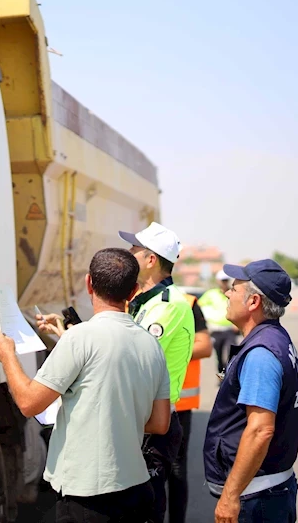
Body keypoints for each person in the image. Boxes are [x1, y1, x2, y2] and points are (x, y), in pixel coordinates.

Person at [0, 248, 171, 523]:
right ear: (133, 291)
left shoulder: (79, 338)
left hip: (87, 496)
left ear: (89, 283)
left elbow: (28, 403)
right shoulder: (151, 344)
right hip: (137, 489)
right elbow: (160, 423)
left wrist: (7, 356)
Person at [203, 259, 298, 523]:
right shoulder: (273, 338)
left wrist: (230, 496)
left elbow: (260, 430)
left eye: (234, 288)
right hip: (265, 492)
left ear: (253, 302)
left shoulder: (261, 354)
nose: (227, 293)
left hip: (256, 498)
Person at [119, 222, 195, 523]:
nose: (127, 254)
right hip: (141, 417)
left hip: (154, 422)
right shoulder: (146, 301)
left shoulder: (170, 305)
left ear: (151, 260)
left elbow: (133, 356)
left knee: (147, 509)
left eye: (134, 250)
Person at [168, 293, 212, 523]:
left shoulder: (187, 302)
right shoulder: (127, 299)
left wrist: (164, 350)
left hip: (178, 404)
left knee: (176, 470)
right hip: (138, 403)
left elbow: (204, 347)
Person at [199, 269, 240, 375]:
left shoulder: (232, 294)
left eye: (226, 280)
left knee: (231, 353)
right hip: (215, 330)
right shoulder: (211, 294)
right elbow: (199, 306)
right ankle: (221, 375)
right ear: (218, 281)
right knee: (219, 355)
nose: (224, 283)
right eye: (223, 280)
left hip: (229, 329)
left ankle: (230, 374)